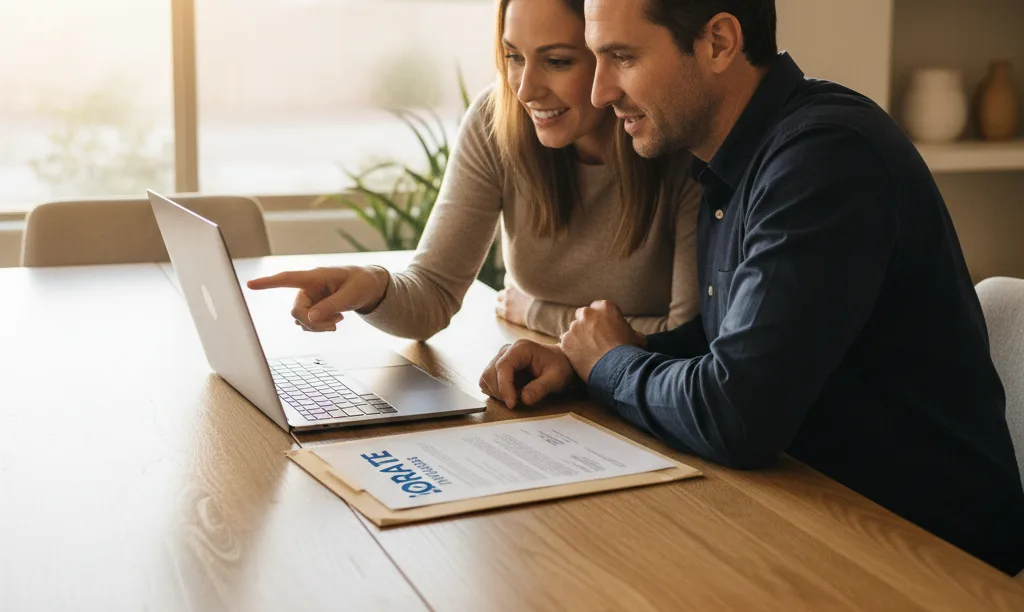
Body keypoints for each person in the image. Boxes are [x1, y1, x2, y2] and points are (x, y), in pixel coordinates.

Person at [479, 0, 1024, 576]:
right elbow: (731, 344)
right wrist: (581, 365)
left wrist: (611, 364)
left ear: (718, 42)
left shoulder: (825, 158)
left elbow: (734, 414)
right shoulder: (733, 159)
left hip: (933, 558)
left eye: (622, 57)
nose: (600, 91)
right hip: (813, 513)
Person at [247, 0, 702, 340]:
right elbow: (432, 294)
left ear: (612, 55)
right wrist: (373, 287)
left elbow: (686, 337)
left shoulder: (677, 141)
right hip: (536, 376)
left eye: (558, 61)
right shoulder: (497, 119)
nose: (525, 90)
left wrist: (538, 313)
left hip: (643, 400)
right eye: (513, 57)